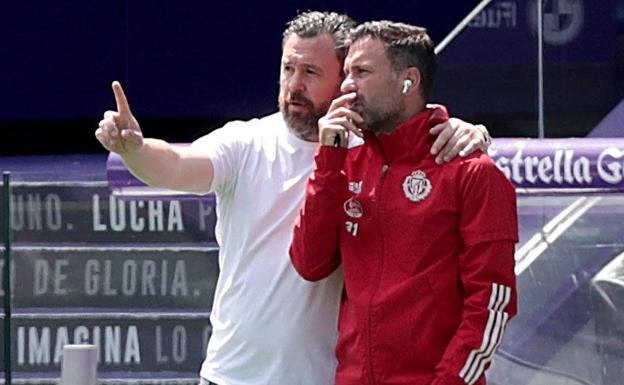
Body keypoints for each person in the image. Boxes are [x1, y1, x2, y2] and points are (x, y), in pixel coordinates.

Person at [95, 12, 491, 385]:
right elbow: (176, 165)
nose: (293, 85)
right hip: (231, 374)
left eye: (310, 72)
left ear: (345, 82)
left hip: (323, 377)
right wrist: (136, 149)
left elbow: (415, 131)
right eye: (288, 68)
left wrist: (463, 128)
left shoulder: (369, 152)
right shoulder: (247, 141)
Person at [290, 20, 518, 385]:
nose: (346, 86)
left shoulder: (472, 171)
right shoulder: (344, 161)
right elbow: (309, 263)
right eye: (347, 72)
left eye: (361, 72)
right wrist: (329, 159)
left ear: (408, 80)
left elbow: (492, 304)